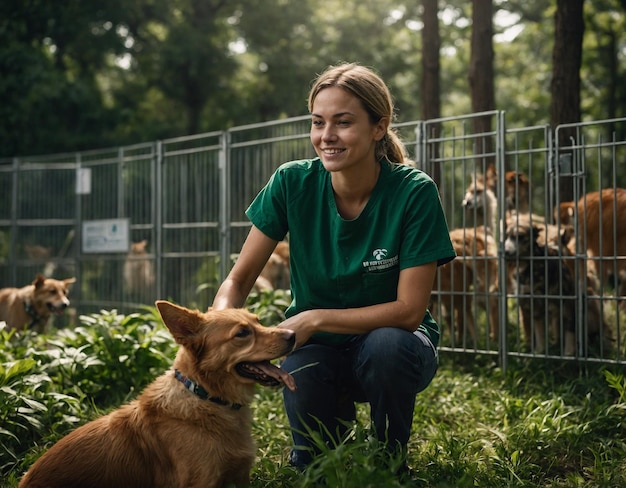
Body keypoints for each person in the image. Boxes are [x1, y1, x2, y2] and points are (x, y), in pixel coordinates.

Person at [212, 62, 455, 472]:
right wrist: (214, 324)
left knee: (387, 345)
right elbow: (238, 278)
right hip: (317, 350)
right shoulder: (292, 182)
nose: (327, 137)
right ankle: (321, 447)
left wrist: (314, 318)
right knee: (316, 464)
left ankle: (389, 460)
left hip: (396, 349)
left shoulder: (414, 193)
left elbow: (409, 312)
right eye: (318, 122)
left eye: (343, 123)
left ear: (380, 127)